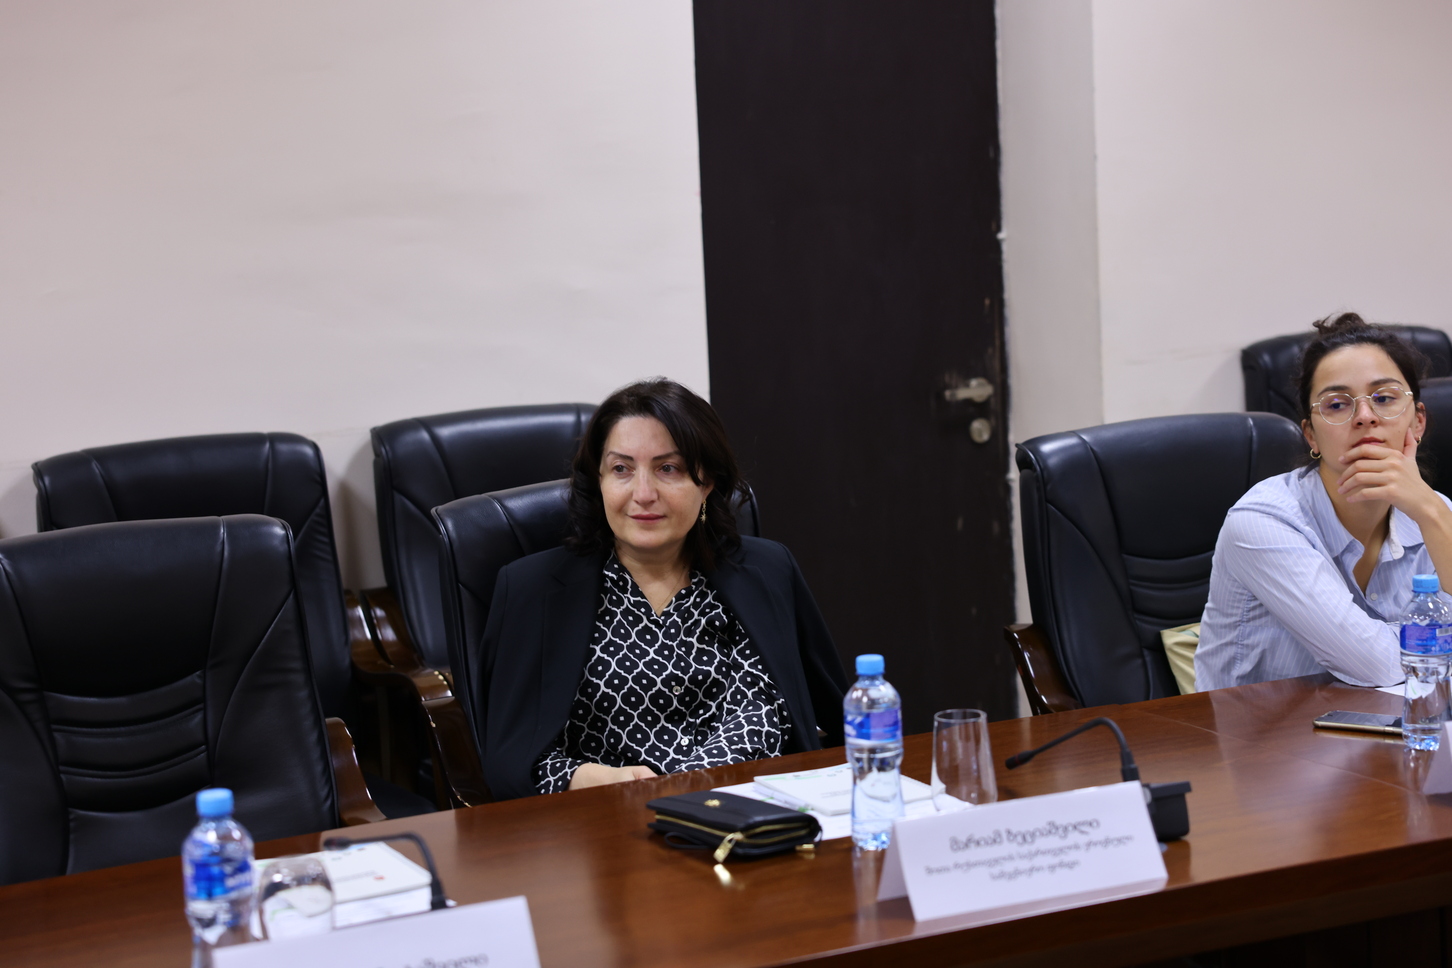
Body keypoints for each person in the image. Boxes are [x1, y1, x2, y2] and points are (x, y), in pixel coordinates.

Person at [477, 378, 850, 800]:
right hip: (609, 823)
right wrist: (580, 778)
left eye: (667, 468)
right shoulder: (533, 590)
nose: (643, 494)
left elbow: (837, 716)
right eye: (621, 469)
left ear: (707, 482)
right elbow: (509, 760)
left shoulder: (768, 570)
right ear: (598, 481)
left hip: (760, 813)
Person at [1196, 313, 1452, 690]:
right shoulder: (1263, 522)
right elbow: (1375, 664)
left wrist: (1432, 513)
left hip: (1393, 722)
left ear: (1417, 422)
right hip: (1260, 727)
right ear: (1311, 435)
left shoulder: (1436, 512)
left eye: (1384, 398)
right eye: (1336, 405)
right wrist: (1434, 642)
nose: (1365, 417)